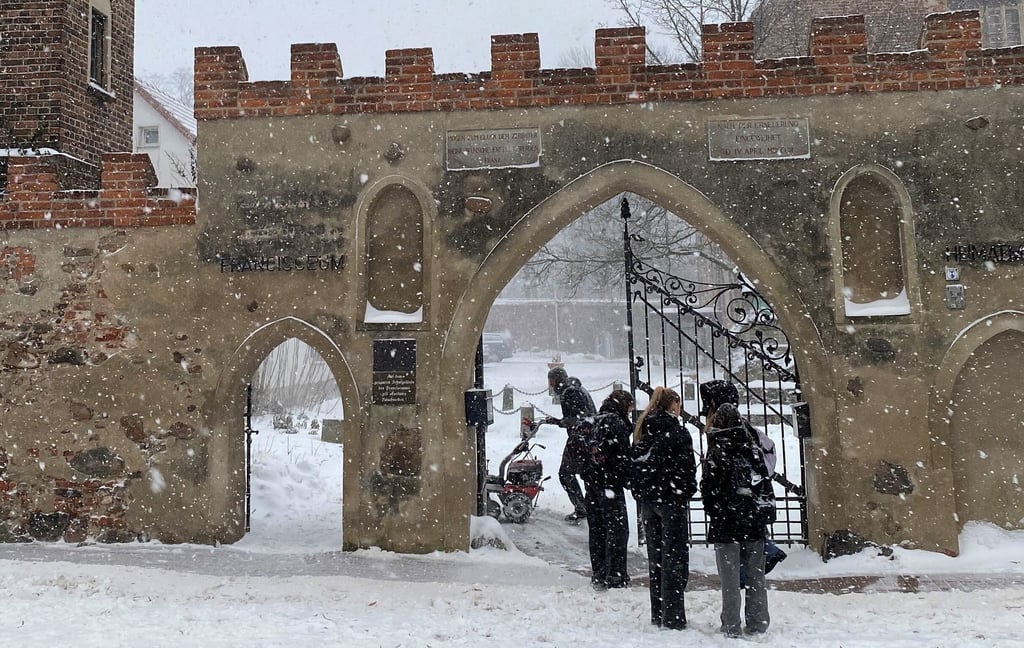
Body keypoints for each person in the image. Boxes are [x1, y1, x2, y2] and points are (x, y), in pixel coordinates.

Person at [698, 380, 788, 576]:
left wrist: (716, 503)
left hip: (733, 512)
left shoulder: (729, 432)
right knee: (753, 573)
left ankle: (746, 576)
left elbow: (719, 478)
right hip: (746, 511)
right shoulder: (741, 431)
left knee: (735, 573)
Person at [700, 402, 773, 638]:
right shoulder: (751, 446)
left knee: (729, 579)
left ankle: (731, 623)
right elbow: (763, 479)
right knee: (756, 576)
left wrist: (716, 509)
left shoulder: (716, 449)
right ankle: (758, 621)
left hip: (726, 523)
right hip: (752, 520)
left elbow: (709, 489)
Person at [630, 387, 697, 630]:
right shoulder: (677, 433)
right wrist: (684, 490)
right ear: (673, 405)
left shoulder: (644, 429)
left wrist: (644, 491)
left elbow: (635, 465)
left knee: (656, 559)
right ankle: (673, 615)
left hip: (650, 501)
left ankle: (658, 612)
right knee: (674, 559)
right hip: (671, 500)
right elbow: (687, 468)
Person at [580, 389, 634, 590]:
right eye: (630, 409)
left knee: (597, 531)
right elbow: (622, 456)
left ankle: (599, 573)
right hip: (610, 484)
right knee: (617, 531)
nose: (630, 413)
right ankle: (616, 576)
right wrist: (628, 478)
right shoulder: (616, 422)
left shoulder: (594, 420)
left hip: (592, 484)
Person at [544, 366, 596, 522]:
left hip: (580, 439)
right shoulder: (576, 388)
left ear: (557, 379)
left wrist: (561, 422)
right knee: (586, 473)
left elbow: (578, 417)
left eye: (551, 381)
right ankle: (590, 507)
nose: (550, 385)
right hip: (587, 437)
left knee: (565, 473)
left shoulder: (570, 392)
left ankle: (582, 508)